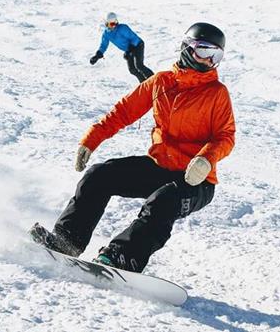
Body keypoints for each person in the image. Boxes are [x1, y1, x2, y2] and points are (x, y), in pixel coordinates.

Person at [30, 22, 235, 273]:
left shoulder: (217, 93)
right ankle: (67, 241)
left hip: (197, 181)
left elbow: (225, 136)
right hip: (160, 166)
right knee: (98, 175)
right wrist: (91, 139)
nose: (208, 61)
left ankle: (122, 257)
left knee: (163, 202)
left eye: (216, 56)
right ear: (186, 48)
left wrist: (205, 160)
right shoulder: (161, 82)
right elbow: (123, 112)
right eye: (204, 51)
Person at [89, 12, 154, 83]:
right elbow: (103, 45)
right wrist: (97, 55)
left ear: (116, 22)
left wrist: (129, 51)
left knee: (139, 66)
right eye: (110, 24)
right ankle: (144, 83)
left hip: (138, 45)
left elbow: (134, 38)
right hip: (129, 49)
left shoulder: (122, 28)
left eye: (114, 24)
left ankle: (154, 79)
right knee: (132, 69)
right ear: (106, 23)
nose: (112, 26)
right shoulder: (106, 34)